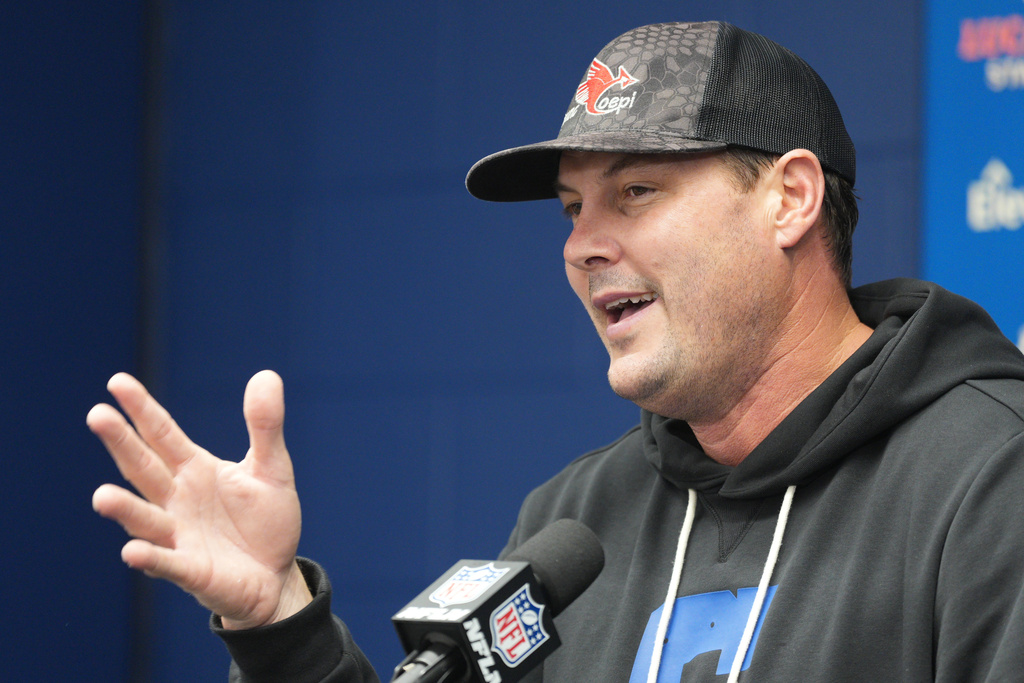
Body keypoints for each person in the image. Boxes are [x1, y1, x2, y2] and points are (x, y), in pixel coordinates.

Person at [90, 20, 1024, 682]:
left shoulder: (989, 478)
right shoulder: (577, 518)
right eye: (574, 207)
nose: (582, 243)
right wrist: (278, 620)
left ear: (789, 198)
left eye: (637, 192)